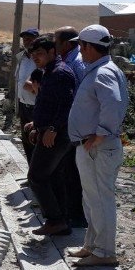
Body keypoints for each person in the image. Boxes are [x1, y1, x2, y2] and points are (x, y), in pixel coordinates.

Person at [66, 25, 129, 267]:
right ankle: (92, 245)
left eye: (81, 46)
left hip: (98, 147)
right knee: (91, 197)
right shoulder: (101, 70)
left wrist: (100, 135)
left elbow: (112, 104)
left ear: (89, 47)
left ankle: (104, 253)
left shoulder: (103, 72)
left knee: (101, 199)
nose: (79, 51)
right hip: (92, 146)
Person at [23, 35, 77, 238]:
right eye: (33, 54)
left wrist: (52, 129)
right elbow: (47, 104)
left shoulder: (60, 73)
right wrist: (37, 125)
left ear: (52, 52)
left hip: (56, 134)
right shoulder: (48, 72)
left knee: (36, 176)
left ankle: (54, 219)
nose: (35, 57)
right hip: (48, 131)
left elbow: (66, 104)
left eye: (40, 53)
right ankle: (61, 221)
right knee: (53, 177)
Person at [55, 26, 88, 227]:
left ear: (67, 44)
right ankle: (69, 210)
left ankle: (77, 216)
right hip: (69, 124)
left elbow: (83, 96)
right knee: (67, 169)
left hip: (75, 126)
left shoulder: (77, 64)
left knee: (74, 172)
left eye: (57, 42)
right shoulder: (68, 60)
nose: (54, 45)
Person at [16, 28, 40, 161]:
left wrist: (33, 88)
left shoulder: (40, 58)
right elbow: (19, 80)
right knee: (26, 140)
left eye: (30, 38)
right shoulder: (22, 58)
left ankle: (38, 178)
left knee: (37, 140)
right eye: (25, 39)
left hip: (36, 105)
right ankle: (31, 174)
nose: (27, 41)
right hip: (23, 104)